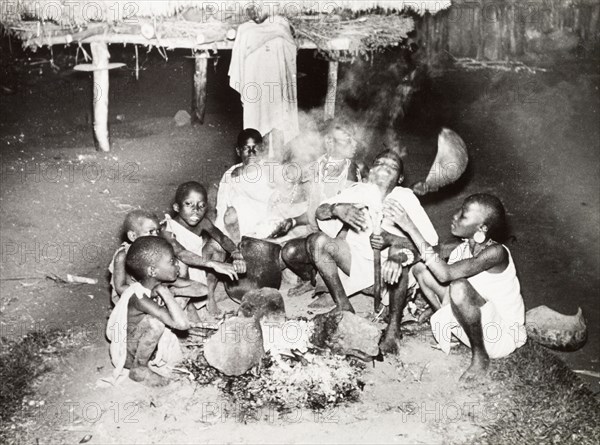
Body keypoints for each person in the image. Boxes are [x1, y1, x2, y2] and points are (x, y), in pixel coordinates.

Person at [304, 151, 439, 353]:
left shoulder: (405, 197)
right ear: (371, 170)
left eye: (392, 166)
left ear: (400, 178)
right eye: (379, 163)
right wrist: (336, 209)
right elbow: (320, 212)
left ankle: (394, 327)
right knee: (317, 241)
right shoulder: (359, 190)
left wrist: (393, 244)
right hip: (356, 266)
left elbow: (430, 245)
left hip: (391, 276)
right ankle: (343, 305)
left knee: (399, 254)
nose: (384, 166)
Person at [383, 193, 527, 380]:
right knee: (421, 269)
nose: (455, 216)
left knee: (459, 287)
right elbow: (423, 255)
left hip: (498, 336)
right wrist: (397, 258)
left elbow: (445, 274)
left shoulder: (496, 253)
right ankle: (445, 323)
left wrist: (410, 226)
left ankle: (480, 358)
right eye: (459, 210)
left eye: (463, 215)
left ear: (481, 228)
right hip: (475, 324)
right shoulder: (462, 247)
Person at [281, 118, 367, 299]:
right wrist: (294, 221)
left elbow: (354, 218)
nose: (354, 145)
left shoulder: (352, 172)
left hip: (344, 241)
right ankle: (310, 278)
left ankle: (331, 285)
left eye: (354, 139)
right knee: (289, 252)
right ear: (329, 142)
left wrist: (335, 246)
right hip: (316, 236)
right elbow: (315, 210)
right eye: (347, 140)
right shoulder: (317, 167)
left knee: (322, 248)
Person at [106, 237, 191, 386]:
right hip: (126, 355)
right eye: (172, 261)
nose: (177, 264)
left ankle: (149, 357)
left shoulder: (151, 285)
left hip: (137, 344)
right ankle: (139, 369)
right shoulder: (140, 297)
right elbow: (182, 324)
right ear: (152, 271)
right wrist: (165, 292)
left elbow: (199, 289)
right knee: (156, 323)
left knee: (175, 305)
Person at [163, 181, 246, 316]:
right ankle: (190, 307)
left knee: (217, 246)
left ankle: (210, 295)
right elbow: (181, 253)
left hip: (199, 265)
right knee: (180, 261)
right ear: (177, 207)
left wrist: (236, 253)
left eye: (201, 206)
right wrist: (214, 264)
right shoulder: (167, 228)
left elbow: (222, 238)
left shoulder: (203, 222)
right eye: (189, 204)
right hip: (180, 275)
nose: (196, 210)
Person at [108, 210, 161, 305]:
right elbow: (120, 288)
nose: (156, 236)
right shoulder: (123, 256)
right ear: (133, 236)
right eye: (151, 232)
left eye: (158, 231)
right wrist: (150, 292)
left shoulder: (159, 251)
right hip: (132, 300)